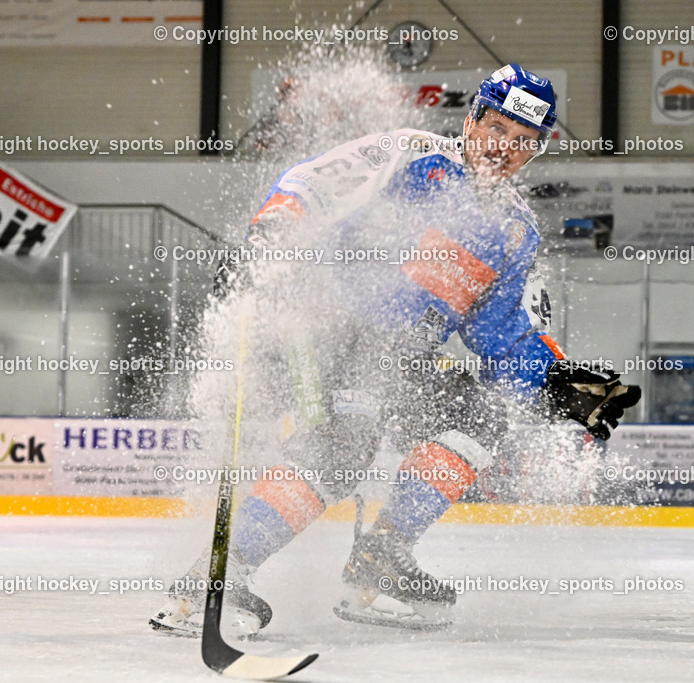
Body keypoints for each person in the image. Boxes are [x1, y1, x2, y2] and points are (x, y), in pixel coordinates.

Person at [151, 63, 640, 636]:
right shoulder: (412, 155)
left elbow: (501, 334)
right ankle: (215, 579)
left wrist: (554, 381)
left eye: (525, 142)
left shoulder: (514, 230)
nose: (507, 149)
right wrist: (269, 235)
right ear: (473, 119)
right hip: (325, 324)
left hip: (400, 356)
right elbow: (313, 181)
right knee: (342, 445)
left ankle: (380, 560)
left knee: (477, 416)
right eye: (500, 130)